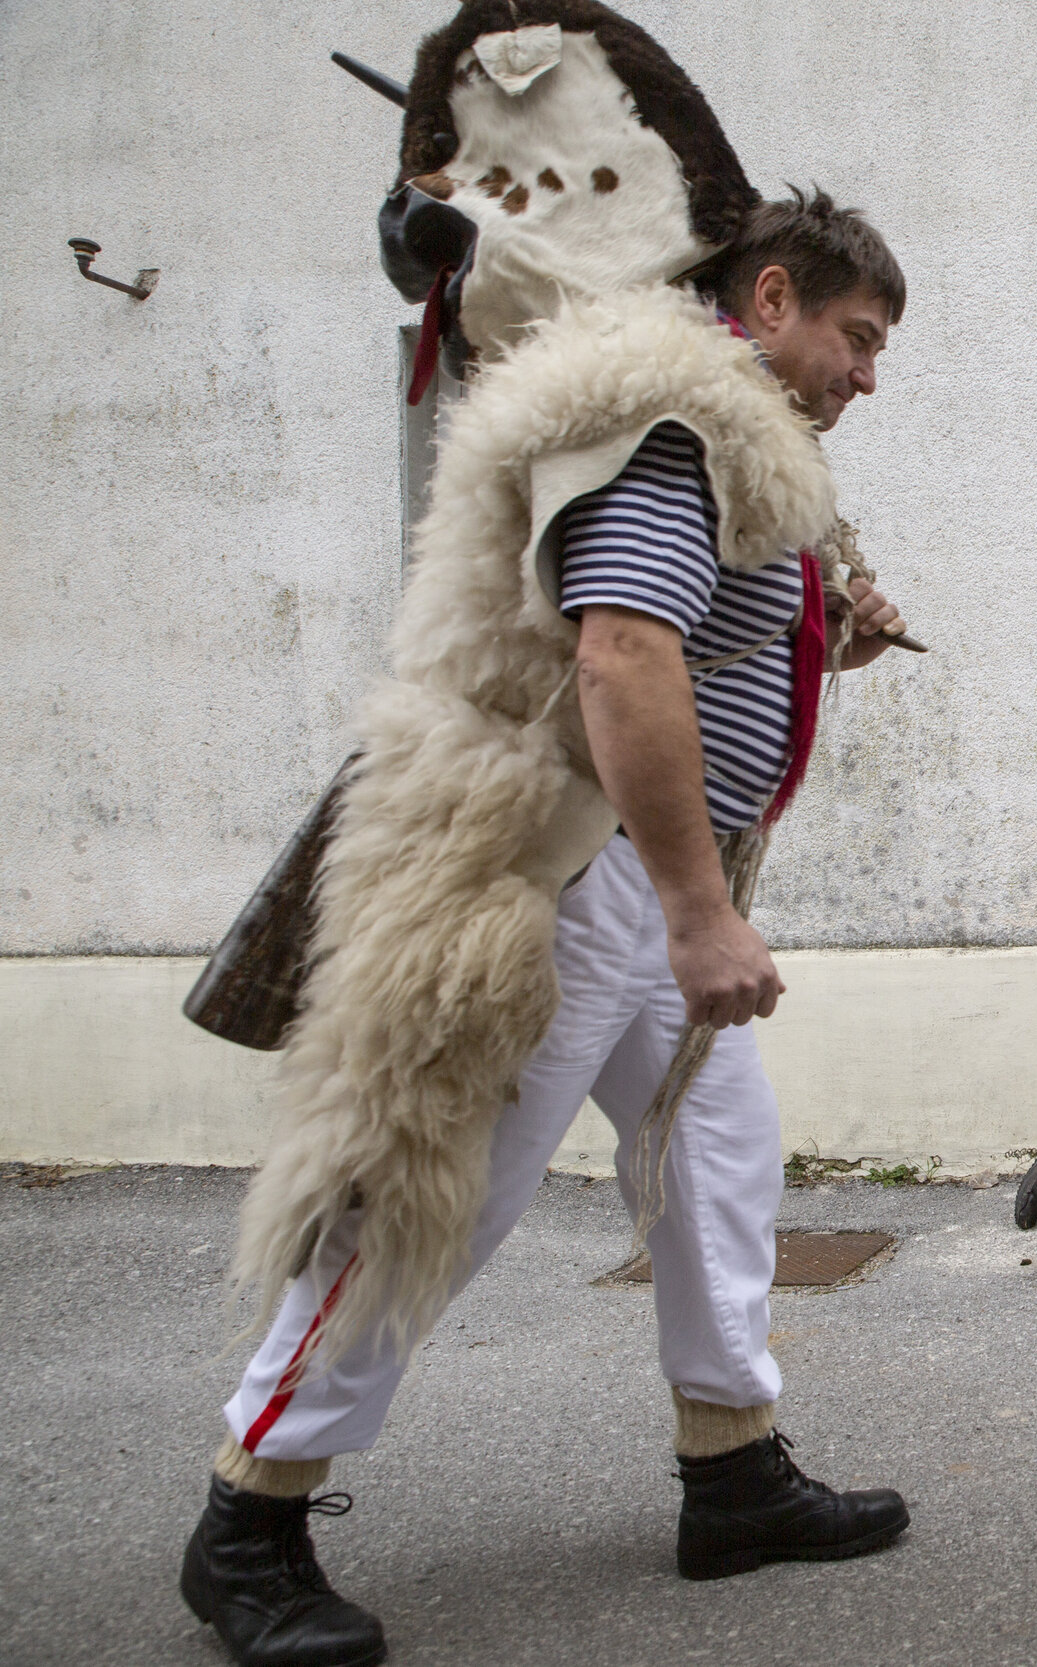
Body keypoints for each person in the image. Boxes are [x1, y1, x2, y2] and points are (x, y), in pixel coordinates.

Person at [180, 193, 914, 1667]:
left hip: (639, 888)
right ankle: (249, 1518)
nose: (867, 375)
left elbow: (685, 630)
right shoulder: (675, 424)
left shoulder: (732, 440)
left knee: (719, 1164)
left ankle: (735, 1471)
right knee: (437, 1194)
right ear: (771, 299)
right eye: (857, 337)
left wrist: (822, 610)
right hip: (568, 888)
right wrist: (701, 912)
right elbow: (624, 657)